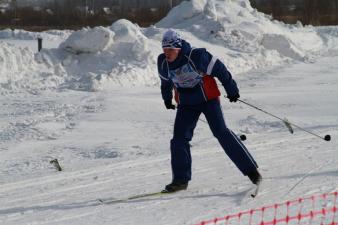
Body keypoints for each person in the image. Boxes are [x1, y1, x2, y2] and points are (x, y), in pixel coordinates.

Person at [157, 29, 261, 193]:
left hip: (208, 100)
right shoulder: (163, 63)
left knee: (221, 132)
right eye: (164, 49)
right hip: (186, 104)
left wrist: (231, 89)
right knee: (179, 139)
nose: (167, 53)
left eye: (171, 49)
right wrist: (166, 98)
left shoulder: (196, 56)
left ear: (178, 48)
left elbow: (220, 69)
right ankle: (180, 180)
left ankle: (252, 171)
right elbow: (166, 83)